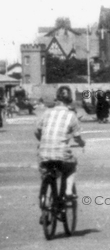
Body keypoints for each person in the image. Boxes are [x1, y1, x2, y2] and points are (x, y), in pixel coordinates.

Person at [35, 86, 86, 220]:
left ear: (57, 98)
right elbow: (77, 137)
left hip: (44, 152)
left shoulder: (47, 112)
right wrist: (82, 143)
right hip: (61, 153)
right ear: (70, 100)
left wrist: (43, 141)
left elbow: (37, 131)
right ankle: (68, 191)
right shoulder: (72, 115)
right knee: (71, 167)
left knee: (46, 171)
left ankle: (45, 205)